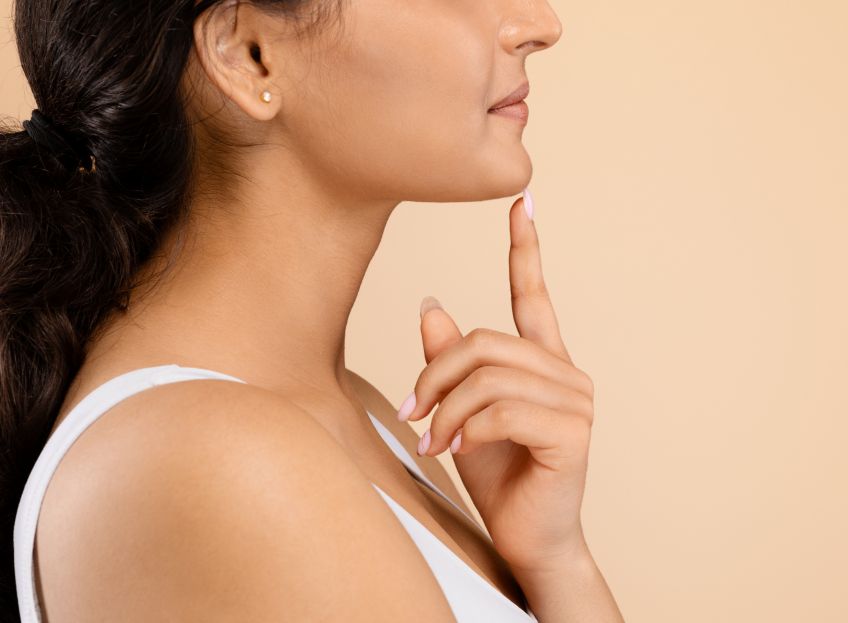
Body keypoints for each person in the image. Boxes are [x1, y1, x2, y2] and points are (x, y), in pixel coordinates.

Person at [0, 0, 624, 620]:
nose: (540, 24)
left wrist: (557, 563)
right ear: (249, 55)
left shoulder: (350, 415)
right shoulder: (220, 458)